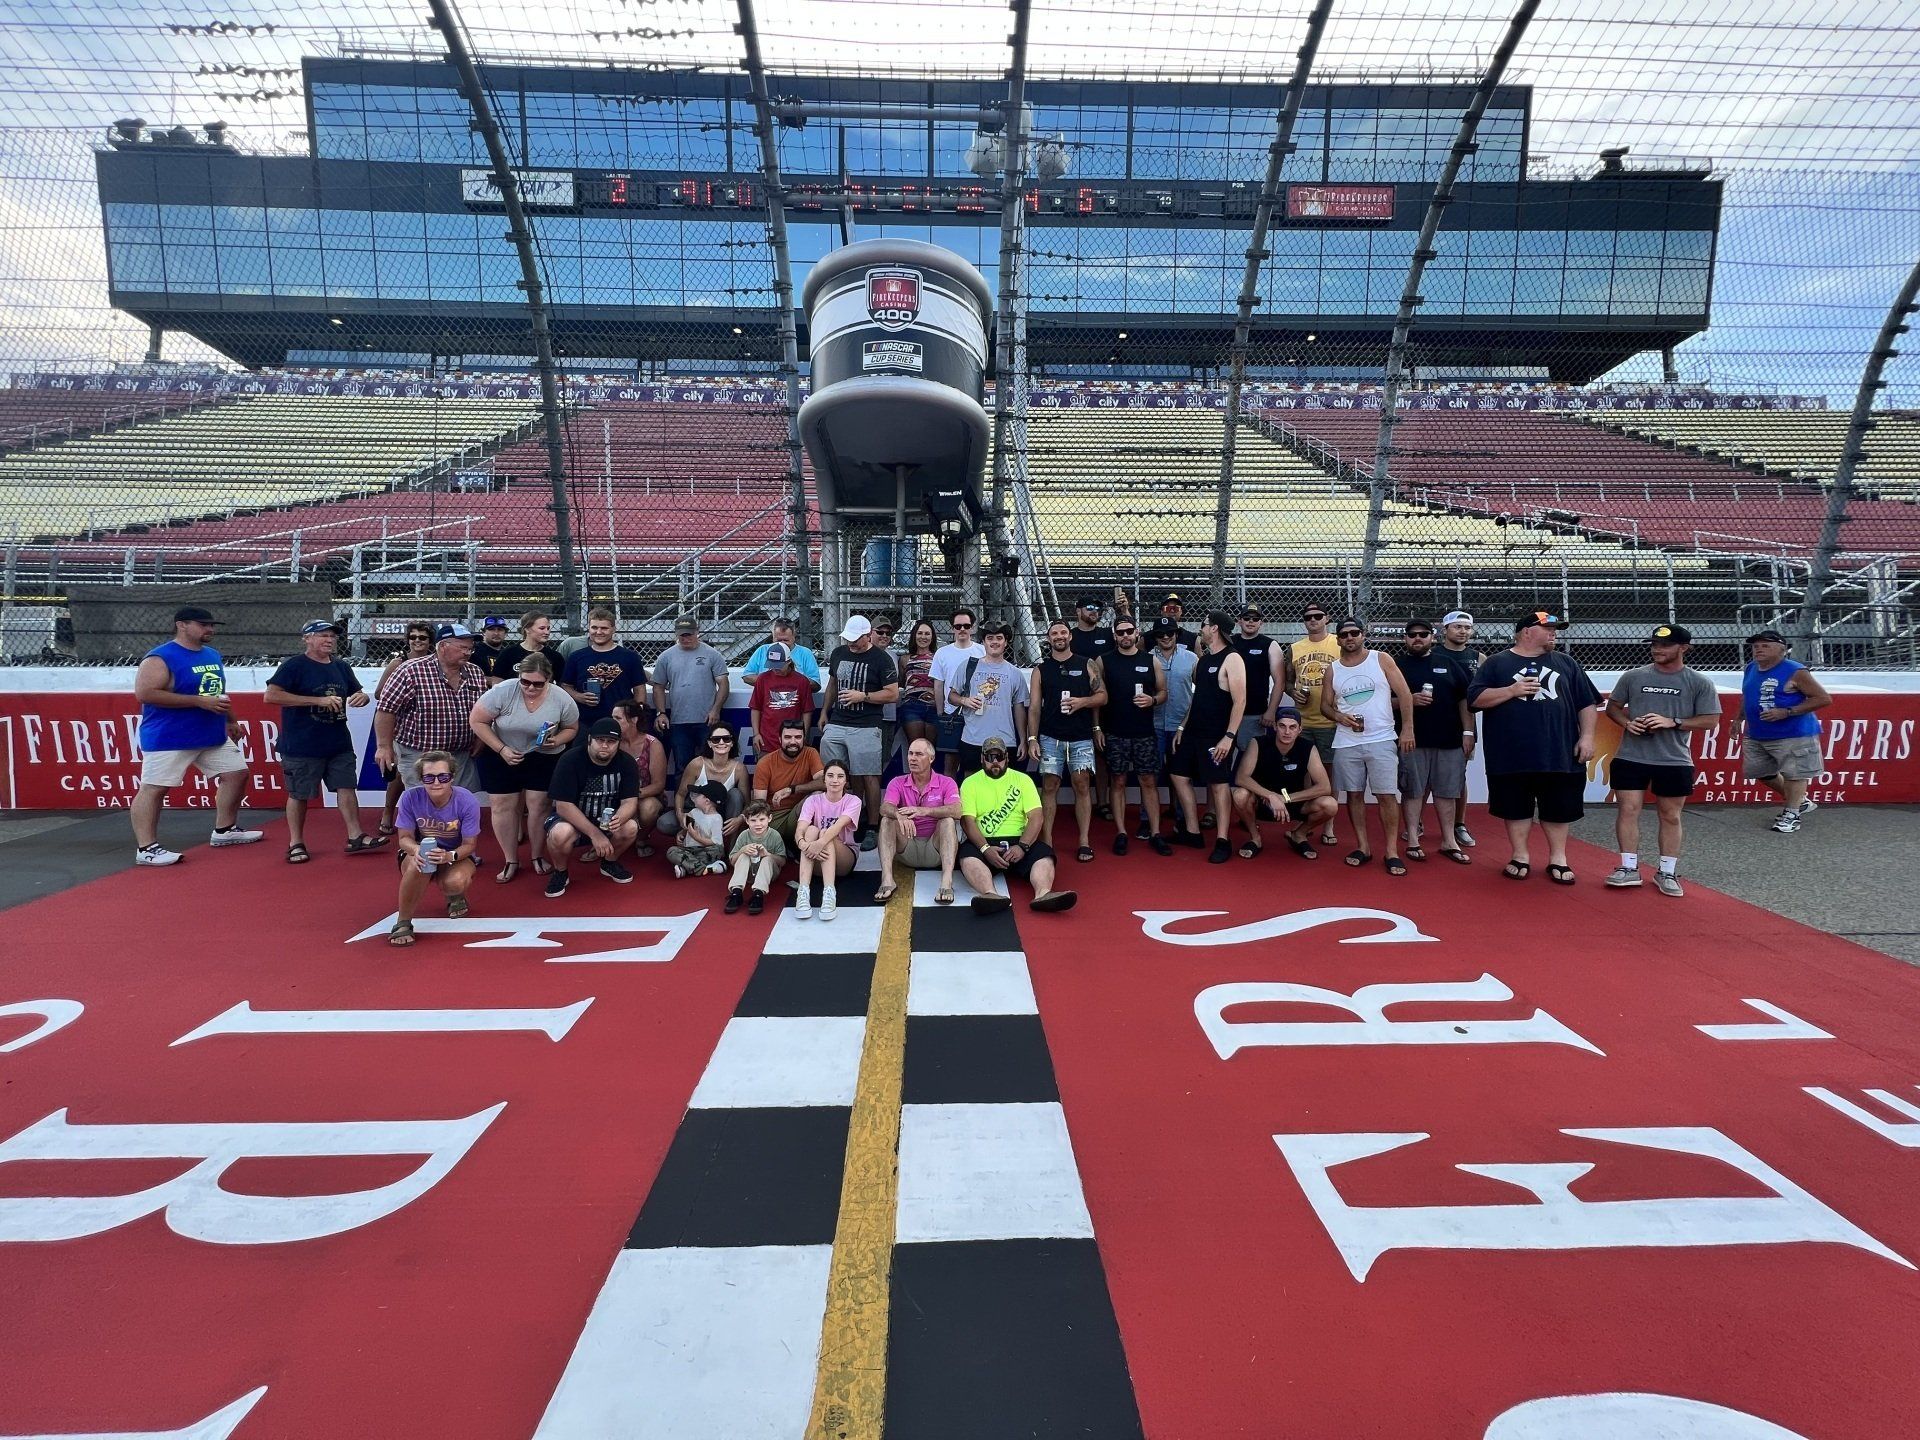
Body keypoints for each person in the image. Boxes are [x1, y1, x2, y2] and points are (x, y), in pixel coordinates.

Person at [1468, 609, 1601, 885]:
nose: (1554, 633)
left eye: (1555, 629)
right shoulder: (1497, 663)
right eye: (1547, 628)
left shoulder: (1566, 662)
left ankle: (1559, 858)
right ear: (1526, 631)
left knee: (1559, 807)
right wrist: (1511, 691)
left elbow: (1586, 703)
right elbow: (1476, 699)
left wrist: (1587, 737)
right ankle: (1520, 856)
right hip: (1511, 752)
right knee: (1516, 807)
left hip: (1559, 751)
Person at [130, 604, 263, 866]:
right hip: (170, 737)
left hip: (210, 733)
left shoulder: (211, 654)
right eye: (204, 625)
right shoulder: (159, 657)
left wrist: (231, 720)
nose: (210, 629)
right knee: (154, 789)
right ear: (182, 625)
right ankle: (146, 848)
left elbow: (217, 692)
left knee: (236, 773)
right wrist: (198, 702)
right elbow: (145, 694)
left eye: (211, 625)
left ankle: (224, 830)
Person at [1604, 623, 1722, 896]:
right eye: (1655, 644)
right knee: (1628, 809)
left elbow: (1711, 720)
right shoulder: (1633, 676)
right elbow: (1613, 707)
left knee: (1670, 815)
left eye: (1665, 645)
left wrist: (1673, 722)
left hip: (1674, 759)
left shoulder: (1698, 682)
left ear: (1684, 648)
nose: (1657, 649)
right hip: (1631, 756)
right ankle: (1628, 867)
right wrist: (1627, 723)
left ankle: (1666, 872)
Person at [265, 618, 382, 863]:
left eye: (332, 636)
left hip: (338, 741)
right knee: (299, 794)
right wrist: (316, 701)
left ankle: (355, 835)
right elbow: (272, 696)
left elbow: (356, 691)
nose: (329, 640)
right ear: (307, 639)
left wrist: (362, 697)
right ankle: (295, 842)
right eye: (322, 635)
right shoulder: (294, 666)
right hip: (301, 743)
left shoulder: (341, 666)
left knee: (347, 786)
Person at [1319, 617, 1416, 874]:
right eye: (1344, 634)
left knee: (1386, 795)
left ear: (1363, 635)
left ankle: (1392, 851)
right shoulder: (1333, 669)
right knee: (1353, 794)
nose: (1349, 638)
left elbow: (1405, 694)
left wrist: (1407, 729)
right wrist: (1339, 717)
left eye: (1354, 633)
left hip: (1382, 739)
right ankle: (1363, 847)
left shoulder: (1381, 659)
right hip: (1347, 741)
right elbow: (1325, 706)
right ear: (1338, 639)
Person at [470, 654, 578, 884]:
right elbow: (477, 721)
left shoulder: (561, 698)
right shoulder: (503, 691)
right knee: (502, 806)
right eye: (525, 681)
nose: (530, 687)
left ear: (549, 679)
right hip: (502, 751)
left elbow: (571, 727)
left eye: (538, 683)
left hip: (543, 755)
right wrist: (501, 749)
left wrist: (557, 740)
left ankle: (537, 855)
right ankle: (511, 859)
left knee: (539, 805)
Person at [957, 738, 1077, 914]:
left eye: (999, 756)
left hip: (1020, 840)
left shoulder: (1023, 780)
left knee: (1044, 854)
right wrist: (985, 848)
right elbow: (967, 821)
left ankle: (1043, 894)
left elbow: (1036, 816)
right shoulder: (970, 783)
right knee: (967, 855)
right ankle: (990, 895)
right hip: (984, 842)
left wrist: (1022, 846)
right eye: (990, 757)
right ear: (982, 759)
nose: (995, 762)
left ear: (1007, 758)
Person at [1167, 609, 1247, 863]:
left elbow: (1240, 700)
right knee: (1178, 774)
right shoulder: (1203, 660)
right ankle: (1192, 831)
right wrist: (1182, 727)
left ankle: (1223, 840)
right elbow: (1198, 698)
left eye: (1203, 624)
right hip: (1193, 731)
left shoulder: (1232, 658)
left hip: (1216, 735)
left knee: (1219, 784)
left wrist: (1229, 736)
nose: (1200, 629)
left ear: (1213, 628)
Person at [1395, 618, 1476, 865]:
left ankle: (1449, 841)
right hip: (1411, 740)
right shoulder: (1395, 666)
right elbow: (1383, 702)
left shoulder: (1449, 663)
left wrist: (1468, 732)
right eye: (1412, 635)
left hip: (1449, 739)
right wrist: (1409, 700)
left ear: (1433, 636)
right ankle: (1413, 841)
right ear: (1405, 639)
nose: (1417, 638)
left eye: (1423, 634)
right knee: (1412, 791)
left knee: (1448, 792)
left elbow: (1465, 700)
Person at [374, 622, 489, 795]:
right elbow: (386, 709)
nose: (467, 652)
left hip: (461, 755)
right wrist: (384, 746)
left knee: (462, 802)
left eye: (470, 649)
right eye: (463, 648)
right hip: (419, 754)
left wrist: (481, 738)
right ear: (443, 646)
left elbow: (483, 710)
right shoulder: (410, 670)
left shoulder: (475, 672)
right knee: (425, 804)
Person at [1028, 618, 1107, 864]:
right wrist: (1032, 738)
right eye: (1054, 633)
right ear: (1049, 638)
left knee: (1082, 786)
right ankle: (1047, 842)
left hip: (1081, 737)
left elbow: (1102, 696)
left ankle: (1084, 841)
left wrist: (1081, 702)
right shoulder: (1041, 669)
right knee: (1049, 786)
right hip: (1050, 737)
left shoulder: (1087, 664)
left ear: (1070, 636)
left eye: (1063, 632)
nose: (1059, 636)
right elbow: (1034, 708)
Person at [1741, 627, 1833, 834]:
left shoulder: (1795, 670)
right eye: (1756, 646)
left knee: (1795, 774)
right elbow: (1747, 694)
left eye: (1765, 646)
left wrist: (1787, 711)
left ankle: (1791, 814)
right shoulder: (1751, 668)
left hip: (1793, 733)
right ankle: (1800, 801)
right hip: (1758, 733)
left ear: (1782, 649)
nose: (1759, 650)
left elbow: (1823, 698)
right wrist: (1739, 718)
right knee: (1761, 772)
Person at [819, 615, 899, 849]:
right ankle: (841, 820)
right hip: (838, 720)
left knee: (870, 776)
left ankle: (873, 826)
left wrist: (863, 696)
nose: (851, 644)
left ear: (868, 636)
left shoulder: (882, 659)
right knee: (836, 774)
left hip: (867, 723)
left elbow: (892, 694)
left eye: (856, 639)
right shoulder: (838, 653)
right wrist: (825, 711)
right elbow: (832, 684)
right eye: (849, 639)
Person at [541, 717, 642, 897]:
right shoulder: (570, 760)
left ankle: (609, 862)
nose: (605, 745)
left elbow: (630, 802)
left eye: (611, 741)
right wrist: (595, 835)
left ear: (618, 743)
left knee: (630, 827)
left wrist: (618, 819)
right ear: (589, 739)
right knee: (560, 833)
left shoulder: (627, 762)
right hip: (572, 818)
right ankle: (561, 872)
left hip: (605, 818)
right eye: (600, 740)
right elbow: (563, 806)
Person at [388, 752, 479, 946]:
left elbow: (470, 845)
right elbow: (404, 838)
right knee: (419, 863)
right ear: (421, 779)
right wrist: (416, 850)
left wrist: (449, 856)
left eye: (443, 777)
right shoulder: (409, 797)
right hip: (420, 850)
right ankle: (403, 921)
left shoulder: (466, 800)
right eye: (429, 777)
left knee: (455, 882)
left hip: (455, 853)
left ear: (452, 778)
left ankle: (454, 894)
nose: (436, 782)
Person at [1101, 614, 1170, 855]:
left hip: (1144, 732)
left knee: (1148, 782)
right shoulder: (1103, 661)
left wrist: (1152, 699)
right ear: (1114, 636)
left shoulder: (1151, 661)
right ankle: (1121, 832)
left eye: (1129, 631)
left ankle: (1156, 832)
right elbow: (1097, 697)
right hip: (1114, 732)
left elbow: (1163, 692)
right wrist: (1096, 728)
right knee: (1117, 781)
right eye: (1120, 632)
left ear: (1137, 632)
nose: (1125, 636)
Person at [1232, 707, 1339, 859]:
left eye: (1292, 727)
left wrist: (1285, 798)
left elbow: (1325, 787)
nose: (1287, 732)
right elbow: (1241, 778)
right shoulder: (1258, 743)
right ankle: (1255, 838)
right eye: (1282, 726)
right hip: (1263, 802)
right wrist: (1271, 796)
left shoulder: (1308, 748)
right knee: (1240, 795)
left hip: (1294, 803)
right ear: (1275, 726)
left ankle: (1299, 834)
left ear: (1300, 729)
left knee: (1330, 804)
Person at [877, 737, 962, 903]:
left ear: (931, 759)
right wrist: (898, 814)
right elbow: (884, 808)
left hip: (935, 848)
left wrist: (925, 811)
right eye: (910, 753)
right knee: (887, 820)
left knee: (948, 821)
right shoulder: (897, 782)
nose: (912, 758)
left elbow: (957, 811)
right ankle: (887, 880)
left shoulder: (946, 782)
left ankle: (946, 882)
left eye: (919, 754)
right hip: (907, 847)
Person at [373, 621, 435, 837]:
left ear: (430, 641)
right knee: (399, 776)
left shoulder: (437, 663)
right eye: (413, 637)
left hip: (429, 730)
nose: (417, 641)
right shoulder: (398, 663)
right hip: (402, 728)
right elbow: (380, 693)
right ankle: (388, 812)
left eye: (422, 637)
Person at [1289, 603, 1342, 847]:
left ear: (1327, 618)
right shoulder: (1295, 648)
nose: (1313, 620)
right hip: (1303, 720)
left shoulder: (1338, 643)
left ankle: (1328, 823)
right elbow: (1288, 680)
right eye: (1308, 617)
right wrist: (1293, 692)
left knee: (1329, 774)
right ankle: (1309, 819)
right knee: (1306, 774)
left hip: (1330, 720)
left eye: (1318, 616)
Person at [650, 615, 730, 776]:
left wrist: (715, 710)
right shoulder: (666, 657)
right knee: (682, 767)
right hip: (679, 722)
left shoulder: (712, 654)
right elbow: (658, 686)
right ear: (676, 635)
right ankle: (683, 801)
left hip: (706, 721)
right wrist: (661, 712)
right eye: (682, 635)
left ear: (697, 632)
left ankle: (708, 800)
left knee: (710, 766)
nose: (686, 638)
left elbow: (723, 683)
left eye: (689, 634)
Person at [954, 621, 1030, 777]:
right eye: (990, 638)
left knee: (1003, 784)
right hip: (973, 738)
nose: (994, 642)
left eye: (999, 638)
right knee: (971, 783)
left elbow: (1019, 709)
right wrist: (964, 701)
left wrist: (1023, 739)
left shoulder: (1015, 673)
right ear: (983, 642)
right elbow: (951, 696)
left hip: (1005, 740)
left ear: (1006, 642)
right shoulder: (968, 666)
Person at [794, 760, 862, 920]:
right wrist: (802, 844)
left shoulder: (853, 801)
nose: (835, 780)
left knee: (826, 833)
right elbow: (800, 829)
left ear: (846, 781)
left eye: (840, 776)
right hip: (815, 857)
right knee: (811, 830)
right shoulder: (813, 800)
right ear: (824, 779)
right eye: (830, 776)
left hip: (844, 858)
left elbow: (838, 827)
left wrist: (818, 844)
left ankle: (829, 893)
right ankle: (803, 891)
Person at [560, 607, 647, 731]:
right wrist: (579, 696)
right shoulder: (577, 657)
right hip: (586, 720)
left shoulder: (630, 657)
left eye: (604, 628)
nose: (599, 632)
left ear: (613, 630)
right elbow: (565, 685)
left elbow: (639, 689)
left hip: (621, 720)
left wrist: (637, 713)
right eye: (594, 627)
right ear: (589, 629)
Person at [1438, 608, 1481, 848]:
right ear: (1445, 630)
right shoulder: (1431, 653)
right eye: (1457, 627)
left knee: (1458, 776)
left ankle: (1459, 824)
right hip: (1433, 724)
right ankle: (1418, 824)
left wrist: (1469, 731)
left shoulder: (1478, 658)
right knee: (1423, 779)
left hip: (1464, 727)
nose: (1463, 631)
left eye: (1467, 627)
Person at [752, 718, 826, 845]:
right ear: (780, 739)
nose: (793, 742)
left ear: (804, 739)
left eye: (798, 737)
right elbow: (760, 804)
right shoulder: (765, 762)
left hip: (801, 814)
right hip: (775, 818)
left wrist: (792, 789)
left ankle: (805, 846)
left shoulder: (811, 753)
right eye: (787, 737)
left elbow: (825, 783)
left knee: (818, 795)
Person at [609, 697, 669, 852]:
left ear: (634, 720)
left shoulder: (653, 744)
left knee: (649, 808)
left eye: (618, 718)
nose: (613, 721)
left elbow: (658, 785)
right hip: (613, 794)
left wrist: (631, 796)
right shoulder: (610, 742)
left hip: (644, 795)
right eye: (612, 718)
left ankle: (640, 839)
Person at [672, 724, 748, 842]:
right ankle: (689, 836)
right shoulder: (696, 764)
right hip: (695, 811)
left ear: (732, 743)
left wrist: (740, 819)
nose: (721, 742)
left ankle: (732, 853)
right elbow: (680, 794)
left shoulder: (740, 769)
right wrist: (680, 814)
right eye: (716, 739)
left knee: (736, 795)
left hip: (722, 815)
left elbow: (747, 803)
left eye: (726, 739)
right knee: (665, 824)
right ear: (709, 743)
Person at [930, 607, 984, 773]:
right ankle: (951, 799)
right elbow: (938, 685)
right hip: (952, 714)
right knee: (950, 764)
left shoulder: (982, 650)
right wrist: (941, 714)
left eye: (966, 626)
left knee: (974, 766)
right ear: (952, 628)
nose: (962, 629)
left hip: (977, 715)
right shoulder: (942, 653)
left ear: (973, 628)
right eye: (958, 626)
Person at [1230, 604, 1288, 747]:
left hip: (1254, 713)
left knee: (1250, 756)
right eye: (1247, 618)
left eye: (1255, 619)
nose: (1251, 621)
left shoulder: (1270, 645)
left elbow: (1280, 682)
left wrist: (1271, 711)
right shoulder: (1228, 642)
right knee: (1221, 756)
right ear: (1239, 620)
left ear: (1261, 622)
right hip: (1226, 711)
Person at [747, 642, 816, 759]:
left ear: (788, 661)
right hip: (767, 740)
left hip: (792, 740)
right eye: (772, 665)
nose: (775, 669)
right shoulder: (762, 679)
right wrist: (756, 734)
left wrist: (804, 735)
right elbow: (755, 708)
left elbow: (807, 711)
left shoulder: (802, 681)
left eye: (778, 665)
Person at [725, 799, 788, 915]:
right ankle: (736, 892)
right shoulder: (744, 835)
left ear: (769, 818)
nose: (758, 824)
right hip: (748, 874)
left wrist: (767, 854)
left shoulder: (774, 835)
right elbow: (733, 861)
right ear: (747, 821)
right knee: (743, 855)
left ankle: (758, 894)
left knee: (768, 859)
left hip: (768, 874)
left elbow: (782, 861)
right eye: (753, 820)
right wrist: (742, 850)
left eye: (762, 819)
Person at [895, 619, 943, 756]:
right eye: (920, 633)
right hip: (912, 707)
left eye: (927, 633)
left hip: (934, 707)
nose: (923, 637)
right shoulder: (905, 659)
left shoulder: (939, 658)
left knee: (929, 752)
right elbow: (902, 683)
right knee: (916, 749)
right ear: (914, 635)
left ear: (932, 636)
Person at [667, 782, 730, 880]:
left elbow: (716, 842)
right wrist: (683, 831)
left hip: (705, 850)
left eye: (698, 795)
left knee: (718, 850)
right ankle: (707, 869)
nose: (694, 797)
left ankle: (688, 867)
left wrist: (697, 837)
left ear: (707, 801)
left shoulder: (716, 819)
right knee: (671, 851)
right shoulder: (694, 812)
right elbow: (687, 825)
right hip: (689, 850)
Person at [742, 615, 822, 689]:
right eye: (779, 640)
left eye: (786, 640)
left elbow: (815, 684)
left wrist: (790, 682)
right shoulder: (763, 650)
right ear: (773, 637)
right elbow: (747, 677)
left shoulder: (805, 653)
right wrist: (772, 681)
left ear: (794, 636)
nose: (782, 643)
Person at [495, 610, 565, 680]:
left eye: (548, 628)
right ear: (527, 629)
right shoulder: (508, 654)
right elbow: (497, 680)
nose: (547, 632)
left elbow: (561, 683)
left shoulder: (555, 657)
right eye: (542, 628)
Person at [1068, 594, 1116, 665]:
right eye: (1089, 607)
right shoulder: (1070, 636)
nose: (1094, 611)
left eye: (1097, 608)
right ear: (1078, 611)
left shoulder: (1107, 633)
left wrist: (1125, 610)